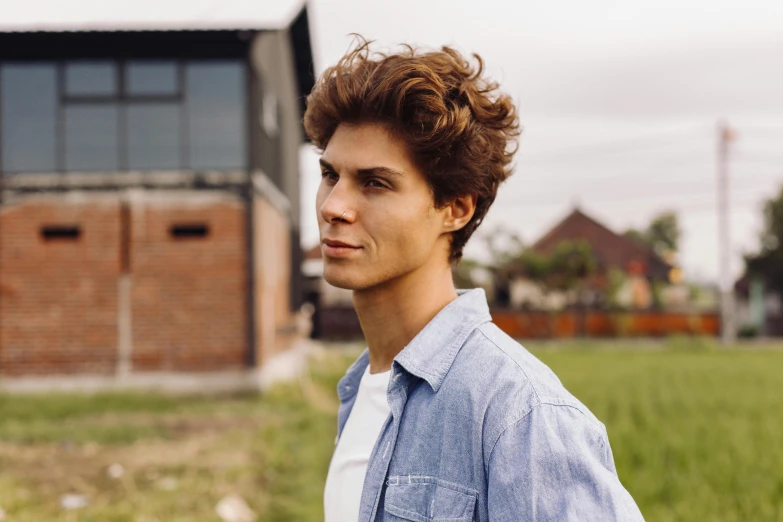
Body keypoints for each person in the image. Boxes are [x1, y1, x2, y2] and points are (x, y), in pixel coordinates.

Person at [305, 38, 645, 522]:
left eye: (375, 182)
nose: (333, 206)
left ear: (455, 208)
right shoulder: (362, 387)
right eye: (329, 174)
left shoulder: (521, 415)